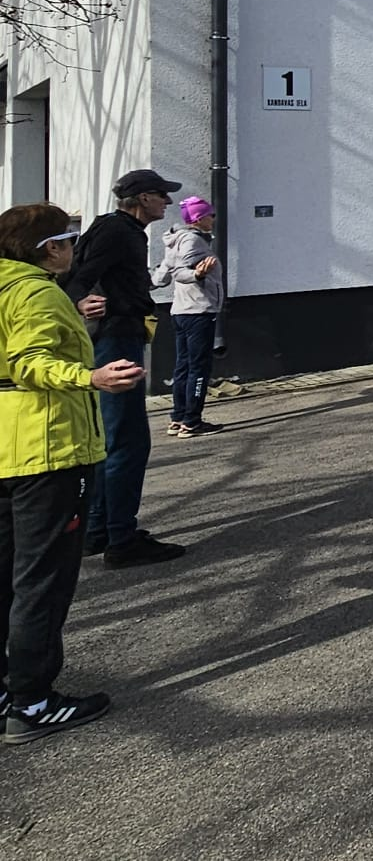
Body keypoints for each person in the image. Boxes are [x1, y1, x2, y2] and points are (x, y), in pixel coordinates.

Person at [0, 204, 145, 743]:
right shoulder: (36, 292)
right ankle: (33, 701)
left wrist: (74, 316)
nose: (74, 249)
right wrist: (91, 377)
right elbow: (30, 361)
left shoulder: (12, 288)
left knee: (5, 575)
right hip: (50, 447)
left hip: (7, 445)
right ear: (50, 248)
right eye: (68, 239)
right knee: (42, 581)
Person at [65, 168, 183, 568]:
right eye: (162, 195)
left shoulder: (122, 230)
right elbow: (78, 274)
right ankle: (121, 540)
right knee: (127, 440)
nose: (167, 202)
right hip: (115, 339)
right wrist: (79, 301)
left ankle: (98, 530)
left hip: (119, 335)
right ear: (143, 198)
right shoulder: (116, 230)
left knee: (113, 439)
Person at [152, 196, 224, 437]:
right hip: (198, 311)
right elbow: (180, 273)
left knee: (183, 366)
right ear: (199, 218)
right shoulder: (193, 240)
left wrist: (146, 282)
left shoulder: (176, 240)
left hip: (181, 311)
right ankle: (192, 422)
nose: (213, 219)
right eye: (211, 215)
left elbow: (162, 276)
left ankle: (178, 417)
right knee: (199, 368)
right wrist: (197, 275)